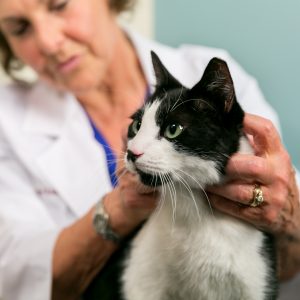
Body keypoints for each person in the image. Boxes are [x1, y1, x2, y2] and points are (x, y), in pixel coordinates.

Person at [0, 0, 299, 299]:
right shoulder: (6, 122)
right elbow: (16, 280)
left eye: (59, 5)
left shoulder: (211, 74)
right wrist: (120, 207)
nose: (49, 42)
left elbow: (284, 265)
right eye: (20, 28)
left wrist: (288, 219)